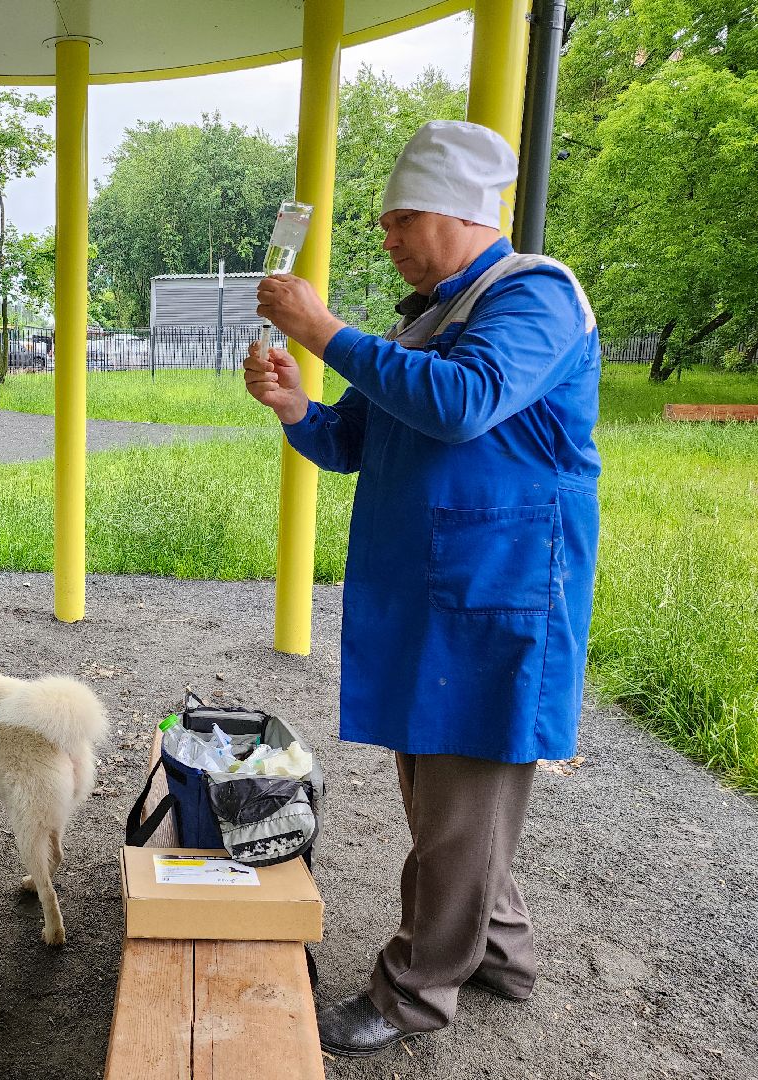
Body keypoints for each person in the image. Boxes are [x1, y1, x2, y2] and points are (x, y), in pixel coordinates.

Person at [243, 120, 601, 1058]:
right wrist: (293, 406)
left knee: (458, 804)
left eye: (402, 218)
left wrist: (321, 329)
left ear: (461, 213)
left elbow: (461, 402)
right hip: (439, 595)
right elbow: (353, 441)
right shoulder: (428, 313)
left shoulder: (537, 296)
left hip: (501, 595)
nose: (387, 236)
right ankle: (501, 953)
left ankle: (413, 993)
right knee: (445, 798)